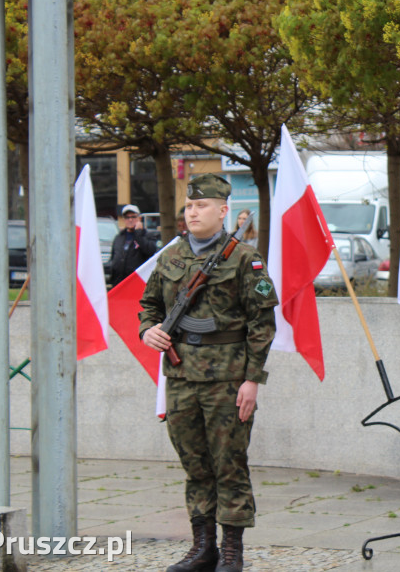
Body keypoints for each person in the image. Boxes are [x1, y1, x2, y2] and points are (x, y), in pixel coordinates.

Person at [140, 174, 278, 572]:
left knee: (229, 464)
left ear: (223, 211)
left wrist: (253, 380)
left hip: (227, 381)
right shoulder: (171, 256)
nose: (193, 212)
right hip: (181, 380)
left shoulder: (243, 257)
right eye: (188, 206)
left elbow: (262, 323)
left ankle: (232, 551)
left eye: (202, 206)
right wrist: (147, 329)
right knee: (195, 464)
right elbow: (148, 305)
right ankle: (203, 548)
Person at [109, 204, 155, 284]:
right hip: (119, 282)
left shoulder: (147, 236)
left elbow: (150, 251)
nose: (130, 220)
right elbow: (113, 258)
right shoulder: (119, 237)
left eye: (133, 217)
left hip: (137, 283)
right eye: (127, 217)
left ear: (139, 218)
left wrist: (138, 233)